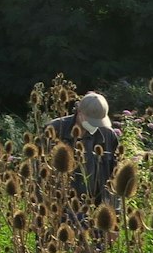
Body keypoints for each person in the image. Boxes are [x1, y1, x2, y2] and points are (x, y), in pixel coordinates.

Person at [43, 93, 122, 222]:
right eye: (91, 120)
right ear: (79, 112)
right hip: (59, 210)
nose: (95, 126)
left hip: (95, 213)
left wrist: (114, 218)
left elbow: (114, 178)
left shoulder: (108, 136)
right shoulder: (55, 130)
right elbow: (38, 174)